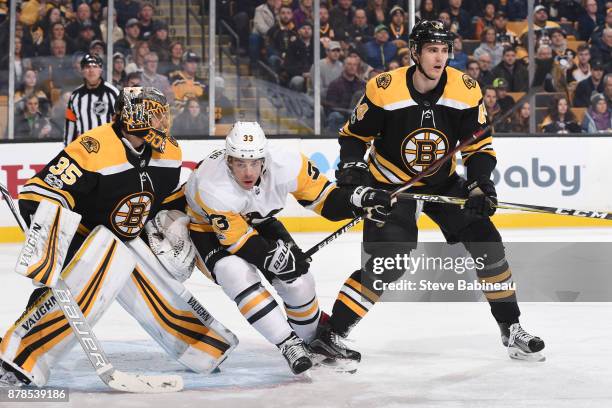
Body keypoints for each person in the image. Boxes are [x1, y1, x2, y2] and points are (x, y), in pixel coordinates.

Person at [309, 20, 545, 366]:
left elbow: (478, 147)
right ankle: (331, 335)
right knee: (388, 263)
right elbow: (353, 137)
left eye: (445, 50)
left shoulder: (465, 89)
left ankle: (511, 329)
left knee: (487, 241)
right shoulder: (385, 89)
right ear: (416, 52)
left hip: (442, 182)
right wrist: (353, 173)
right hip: (388, 184)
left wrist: (480, 182)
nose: (440, 57)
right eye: (432, 50)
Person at [0, 87, 235, 387]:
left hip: (126, 237)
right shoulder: (94, 147)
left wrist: (171, 229)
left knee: (158, 285)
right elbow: (39, 194)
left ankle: (203, 347)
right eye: (157, 115)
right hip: (83, 237)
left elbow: (162, 201)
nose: (163, 123)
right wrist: (51, 246)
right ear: (137, 118)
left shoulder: (170, 152)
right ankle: (21, 354)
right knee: (71, 289)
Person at [184, 121, 391, 374]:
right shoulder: (212, 184)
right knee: (234, 272)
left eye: (254, 163)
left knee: (300, 281)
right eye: (240, 163)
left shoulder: (289, 164)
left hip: (259, 221)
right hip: (208, 231)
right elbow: (239, 242)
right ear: (228, 161)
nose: (248, 172)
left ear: (264, 158)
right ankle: (288, 343)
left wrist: (358, 200)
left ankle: (315, 343)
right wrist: (271, 257)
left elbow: (327, 202)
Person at [64, 54, 120, 145]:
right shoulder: (75, 96)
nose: (91, 70)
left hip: (107, 147)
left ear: (100, 70)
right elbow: (71, 124)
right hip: (84, 149)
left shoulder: (112, 93)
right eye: (87, 66)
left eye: (95, 66)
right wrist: (67, 148)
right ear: (82, 70)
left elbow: (121, 122)